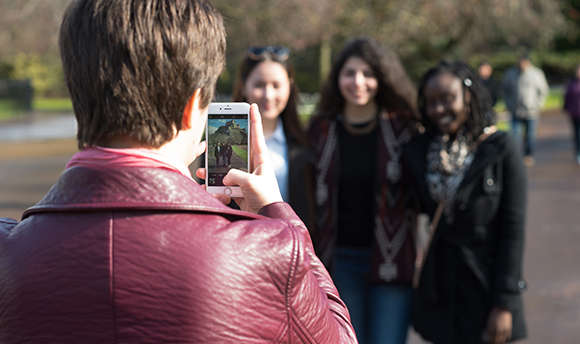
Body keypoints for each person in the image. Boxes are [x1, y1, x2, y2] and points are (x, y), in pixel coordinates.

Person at [0, 1, 357, 343]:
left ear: (79, 97)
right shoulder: (267, 253)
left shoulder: (8, 253)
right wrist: (282, 220)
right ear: (192, 109)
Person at [404, 60, 527, 343]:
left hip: (486, 292)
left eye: (447, 99)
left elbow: (513, 229)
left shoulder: (500, 148)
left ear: (468, 96)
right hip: (441, 295)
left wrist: (505, 303)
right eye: (431, 102)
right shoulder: (419, 151)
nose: (438, 110)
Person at [308, 37, 418, 344]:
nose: (358, 82)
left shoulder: (404, 130)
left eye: (368, 74)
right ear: (337, 79)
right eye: (350, 73)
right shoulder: (321, 130)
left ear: (382, 79)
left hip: (393, 263)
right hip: (338, 260)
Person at [232, 45, 315, 227]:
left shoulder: (307, 142)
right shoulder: (223, 143)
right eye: (259, 85)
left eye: (276, 85)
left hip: (291, 246)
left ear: (290, 87)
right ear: (244, 86)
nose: (268, 95)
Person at [502, 53, 549, 166]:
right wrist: (509, 104)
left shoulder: (536, 74)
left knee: (530, 136)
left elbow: (543, 90)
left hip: (531, 111)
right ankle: (517, 156)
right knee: (515, 136)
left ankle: (528, 155)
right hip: (515, 111)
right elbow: (505, 90)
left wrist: (538, 104)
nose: (522, 64)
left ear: (528, 62)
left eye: (524, 62)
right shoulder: (511, 73)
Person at [563, 64, 580, 165]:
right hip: (574, 113)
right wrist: (565, 107)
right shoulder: (571, 83)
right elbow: (566, 96)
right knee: (577, 134)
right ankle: (578, 152)